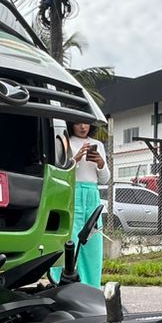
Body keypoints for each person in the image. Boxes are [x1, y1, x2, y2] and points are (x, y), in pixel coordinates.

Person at [60, 120, 109, 285]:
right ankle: (66, 281)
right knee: (71, 239)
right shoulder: (66, 142)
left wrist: (101, 163)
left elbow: (105, 179)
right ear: (71, 124)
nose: (83, 127)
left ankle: (92, 286)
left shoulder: (98, 145)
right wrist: (76, 158)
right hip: (72, 193)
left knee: (92, 243)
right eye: (78, 123)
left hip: (92, 195)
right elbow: (61, 171)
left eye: (86, 123)